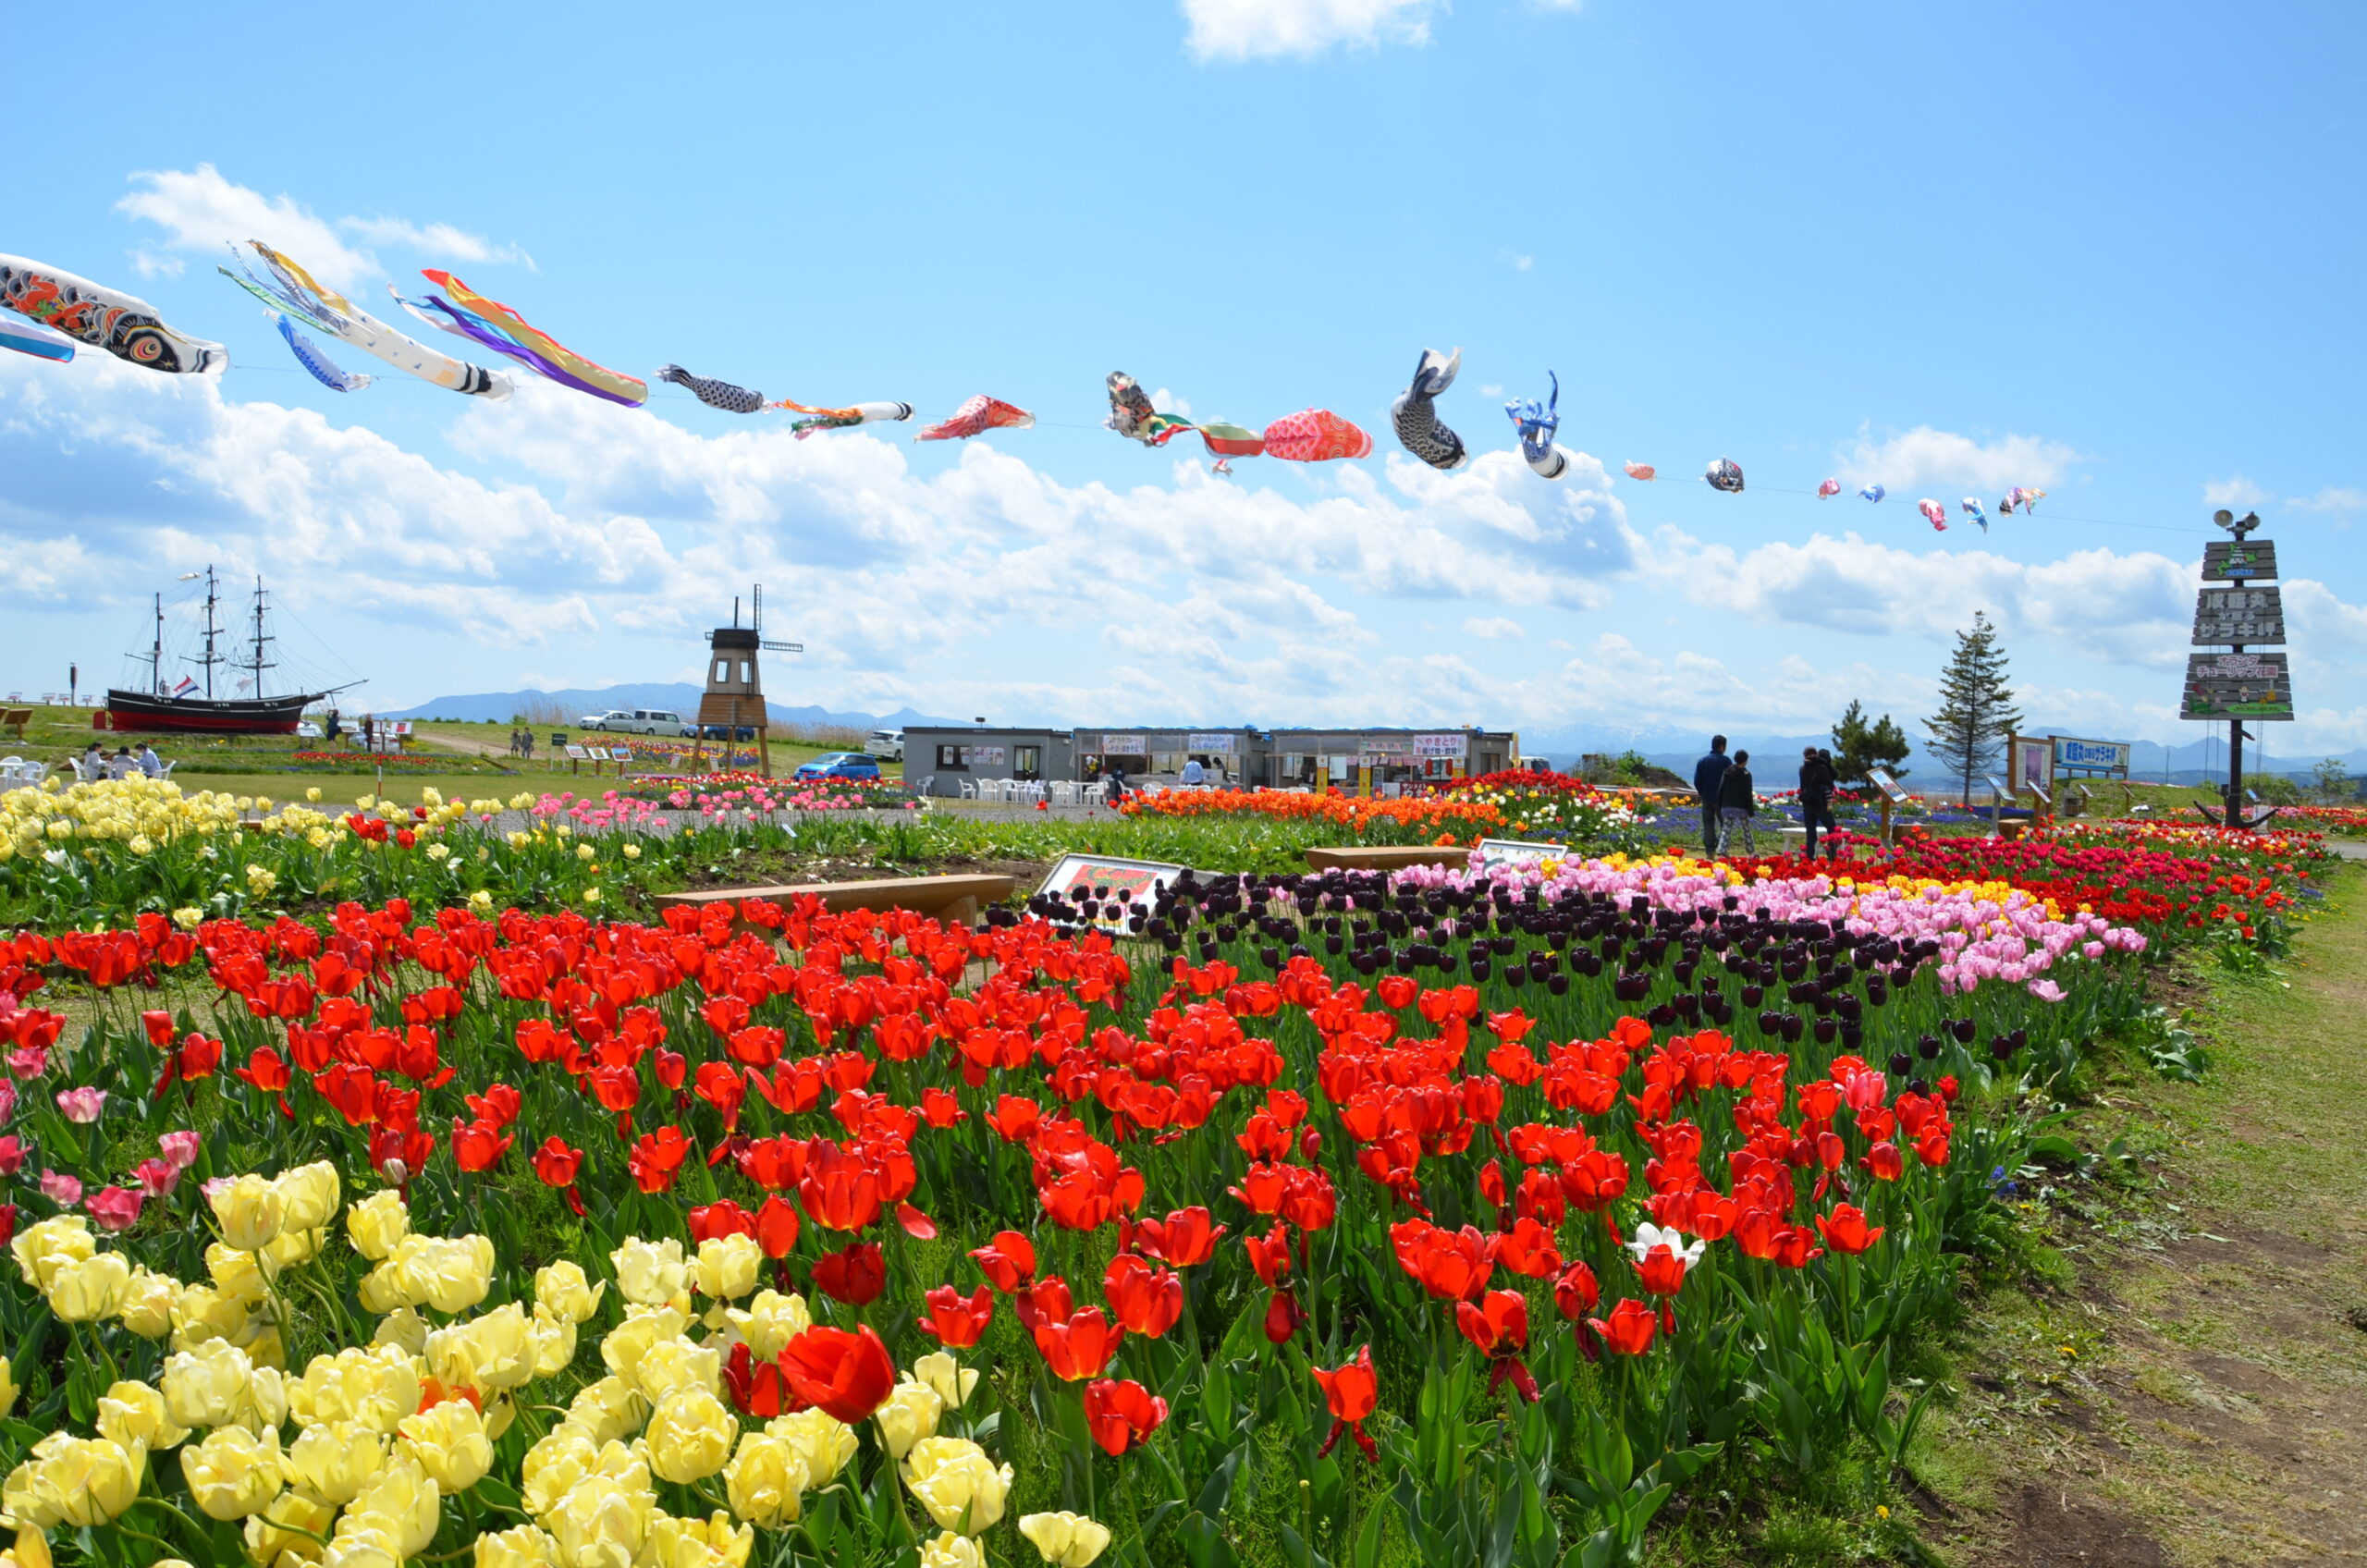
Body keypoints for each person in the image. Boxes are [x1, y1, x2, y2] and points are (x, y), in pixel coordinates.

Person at [1692, 735, 1732, 858]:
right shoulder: (1726, 761)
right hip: (1722, 799)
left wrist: (1702, 792)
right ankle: (1722, 849)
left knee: (1708, 824)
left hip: (1706, 797)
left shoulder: (1702, 761)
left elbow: (1697, 781)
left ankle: (1710, 852)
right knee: (1725, 824)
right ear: (1722, 746)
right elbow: (1731, 780)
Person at [1799, 745, 1837, 861]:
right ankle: (1831, 855)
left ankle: (1809, 856)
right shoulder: (1821, 767)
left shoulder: (1802, 768)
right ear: (1816, 754)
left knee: (1810, 831)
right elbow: (1830, 785)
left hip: (1807, 803)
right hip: (1821, 803)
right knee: (1832, 828)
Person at [1718, 748, 1758, 856]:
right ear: (1745, 760)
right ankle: (1751, 851)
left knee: (1726, 830)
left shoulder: (1727, 772)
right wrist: (1751, 810)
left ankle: (1722, 850)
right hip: (1741, 807)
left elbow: (1721, 790)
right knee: (1746, 830)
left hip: (1728, 805)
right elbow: (1747, 794)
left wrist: (1720, 804)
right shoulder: (1746, 774)